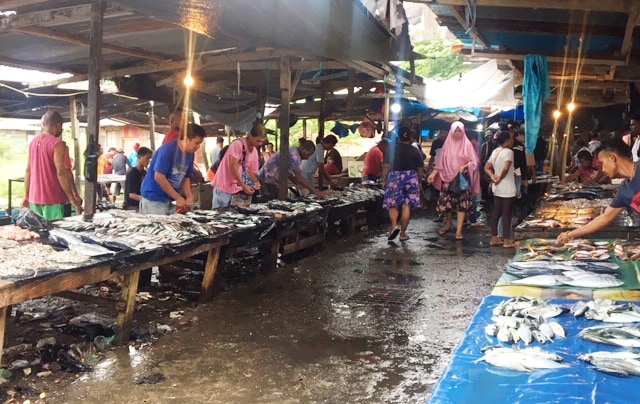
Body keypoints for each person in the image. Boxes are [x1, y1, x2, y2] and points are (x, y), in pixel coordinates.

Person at [557, 139, 637, 244]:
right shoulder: (624, 190)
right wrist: (569, 235)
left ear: (612, 158)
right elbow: (605, 218)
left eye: (602, 163)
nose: (602, 169)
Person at [22, 110, 83, 220]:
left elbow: (28, 171)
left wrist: (26, 196)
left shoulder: (33, 142)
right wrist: (72, 198)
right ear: (58, 125)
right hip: (53, 198)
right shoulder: (57, 144)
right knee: (55, 232)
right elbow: (62, 172)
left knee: (40, 234)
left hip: (34, 198)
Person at [427, 121, 480, 240]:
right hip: (447, 178)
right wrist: (434, 173)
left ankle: (459, 229)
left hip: (461, 179)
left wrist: (465, 167)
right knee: (447, 204)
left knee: (462, 205)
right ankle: (448, 223)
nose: (457, 133)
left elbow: (474, 162)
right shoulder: (447, 145)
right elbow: (440, 162)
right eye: (455, 131)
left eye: (459, 131)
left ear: (463, 131)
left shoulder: (467, 145)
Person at [140, 123, 206, 215]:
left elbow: (186, 176)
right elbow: (159, 177)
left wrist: (189, 196)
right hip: (154, 199)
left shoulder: (190, 154)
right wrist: (178, 197)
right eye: (197, 143)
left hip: (170, 199)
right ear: (186, 139)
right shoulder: (167, 150)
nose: (198, 147)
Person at [382, 126, 425, 242]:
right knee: (407, 205)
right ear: (410, 137)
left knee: (393, 204)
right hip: (411, 177)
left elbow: (386, 166)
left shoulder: (391, 149)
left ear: (398, 136)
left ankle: (394, 226)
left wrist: (384, 180)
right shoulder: (415, 151)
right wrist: (419, 180)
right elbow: (420, 168)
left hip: (394, 176)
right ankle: (402, 234)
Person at [212, 122, 265, 209]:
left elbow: (251, 172)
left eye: (262, 141)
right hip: (223, 187)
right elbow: (232, 167)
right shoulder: (238, 144)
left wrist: (256, 182)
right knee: (220, 216)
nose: (260, 144)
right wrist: (244, 186)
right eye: (258, 141)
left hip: (236, 189)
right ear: (250, 136)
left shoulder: (254, 152)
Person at [258, 139, 323, 199]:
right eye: (308, 154)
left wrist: (297, 183)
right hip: (267, 177)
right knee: (271, 200)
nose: (308, 157)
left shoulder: (295, 152)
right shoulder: (294, 155)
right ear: (303, 149)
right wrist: (314, 191)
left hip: (272, 179)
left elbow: (288, 172)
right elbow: (298, 176)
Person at [484, 131, 516, 248]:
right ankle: (506, 241)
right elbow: (506, 168)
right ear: (507, 140)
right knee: (506, 214)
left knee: (496, 212)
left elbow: (486, 167)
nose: (512, 142)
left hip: (497, 187)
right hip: (507, 187)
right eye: (511, 139)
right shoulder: (509, 152)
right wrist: (500, 178)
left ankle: (494, 238)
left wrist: (493, 177)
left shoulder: (495, 151)